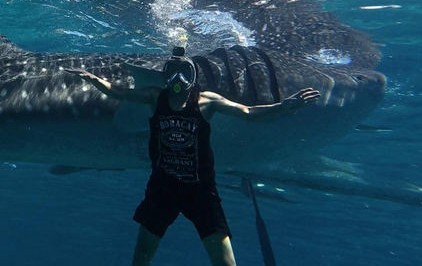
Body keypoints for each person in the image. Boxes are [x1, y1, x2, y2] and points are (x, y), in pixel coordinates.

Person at [68, 47, 320, 266]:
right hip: (162, 188)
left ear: (193, 75)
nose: (178, 79)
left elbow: (248, 111)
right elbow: (118, 93)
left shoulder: (207, 101)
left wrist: (285, 106)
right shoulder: (156, 97)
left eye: (184, 73)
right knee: (142, 256)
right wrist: (94, 80)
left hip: (200, 191)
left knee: (224, 261)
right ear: (166, 75)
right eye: (173, 72)